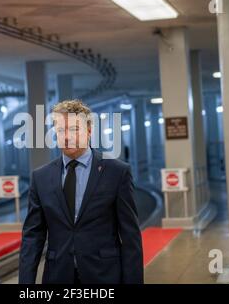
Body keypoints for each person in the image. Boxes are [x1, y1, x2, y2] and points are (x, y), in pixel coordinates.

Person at [19, 100, 143, 284]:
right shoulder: (41, 177)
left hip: (104, 276)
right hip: (57, 276)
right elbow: (33, 237)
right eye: (60, 130)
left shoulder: (117, 172)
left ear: (90, 131)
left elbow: (130, 237)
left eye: (74, 129)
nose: (67, 137)